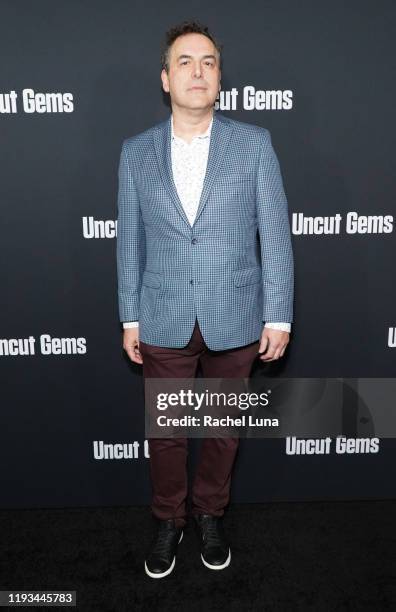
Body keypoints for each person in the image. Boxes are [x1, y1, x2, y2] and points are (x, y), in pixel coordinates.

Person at [116, 19, 294, 579]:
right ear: (166, 79)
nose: (198, 71)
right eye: (186, 62)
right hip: (163, 314)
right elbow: (129, 240)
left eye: (209, 62)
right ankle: (169, 519)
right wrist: (130, 315)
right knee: (166, 436)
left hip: (235, 314)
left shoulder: (254, 144)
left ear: (219, 77)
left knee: (222, 432)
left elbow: (276, 233)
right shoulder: (136, 151)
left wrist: (279, 313)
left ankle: (210, 512)